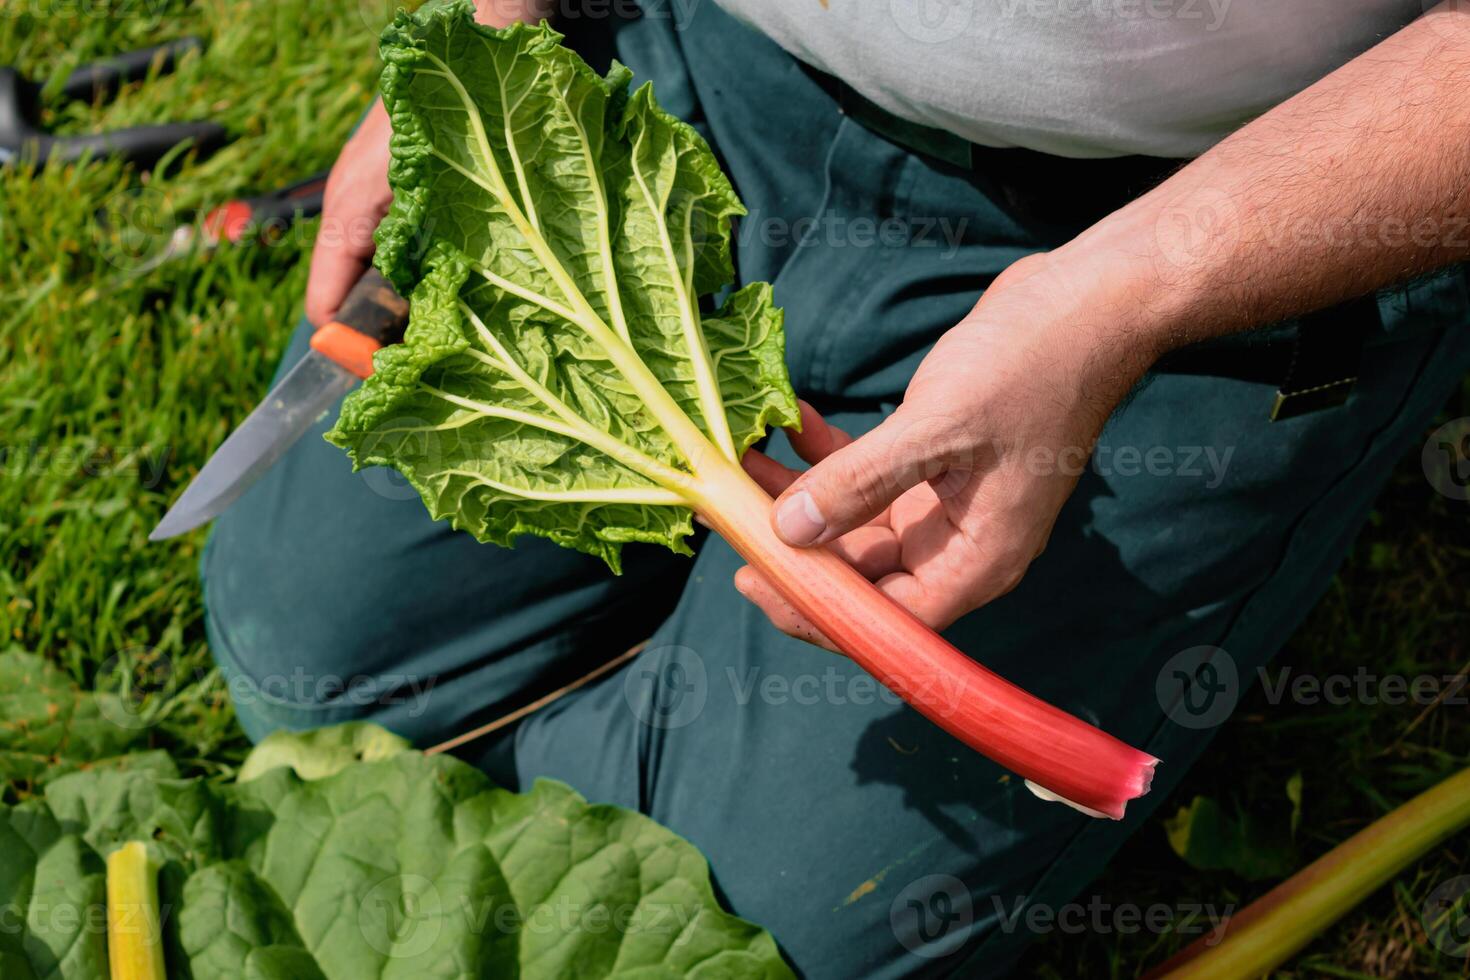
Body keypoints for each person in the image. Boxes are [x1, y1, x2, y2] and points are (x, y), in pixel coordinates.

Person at [201, 0, 1470, 974]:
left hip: (1208, 212)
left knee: (748, 933)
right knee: (305, 665)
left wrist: (1117, 301)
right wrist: (491, 43)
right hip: (710, 71)